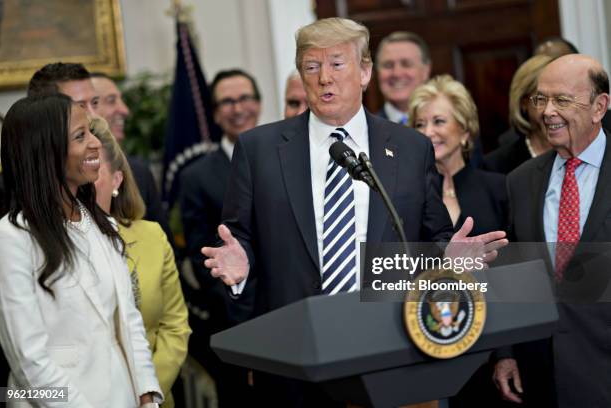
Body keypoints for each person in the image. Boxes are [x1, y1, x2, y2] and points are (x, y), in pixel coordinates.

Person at [202, 17, 507, 406]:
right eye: (312, 66)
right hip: (295, 361)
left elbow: (433, 236)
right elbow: (237, 237)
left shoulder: (411, 148)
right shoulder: (259, 150)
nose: (324, 77)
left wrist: (448, 259)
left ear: (365, 72)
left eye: (337, 64)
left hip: (390, 351)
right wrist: (239, 266)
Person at [0, 94, 163, 407]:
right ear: (45, 151)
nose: (96, 143)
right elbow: (27, 360)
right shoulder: (12, 237)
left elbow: (129, 322)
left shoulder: (103, 225)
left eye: (90, 131)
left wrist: (147, 396)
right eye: (80, 136)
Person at [492, 54, 611, 407]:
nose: (547, 111)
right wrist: (506, 351)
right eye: (541, 99)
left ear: (599, 106)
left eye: (562, 99)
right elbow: (514, 274)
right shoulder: (520, 181)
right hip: (541, 373)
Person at [91, 117, 191, 408]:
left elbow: (175, 326)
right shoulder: (51, 242)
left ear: (117, 180)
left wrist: (147, 393)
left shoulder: (151, 237)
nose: (85, 181)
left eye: (96, 170)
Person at [178, 68, 261, 407]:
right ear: (214, 113)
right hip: (232, 320)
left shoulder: (292, 159)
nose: (237, 108)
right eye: (227, 101)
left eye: (244, 98)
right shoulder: (196, 177)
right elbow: (200, 255)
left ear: (258, 103)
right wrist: (236, 304)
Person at [27, 63, 172, 242]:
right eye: (79, 105)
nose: (94, 115)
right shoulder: (21, 192)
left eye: (95, 103)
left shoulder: (136, 172)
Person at [409, 75, 508, 235]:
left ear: (464, 130)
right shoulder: (409, 193)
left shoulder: (499, 188)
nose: (427, 132)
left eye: (439, 121)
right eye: (420, 124)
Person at [483, 55, 554, 174]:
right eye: (541, 99)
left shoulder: (582, 151)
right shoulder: (498, 165)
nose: (551, 109)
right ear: (524, 103)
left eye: (560, 98)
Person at [375, 31, 431, 124]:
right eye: (388, 65)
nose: (397, 73)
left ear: (426, 71)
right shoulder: (364, 130)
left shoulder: (446, 125)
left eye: (406, 64)